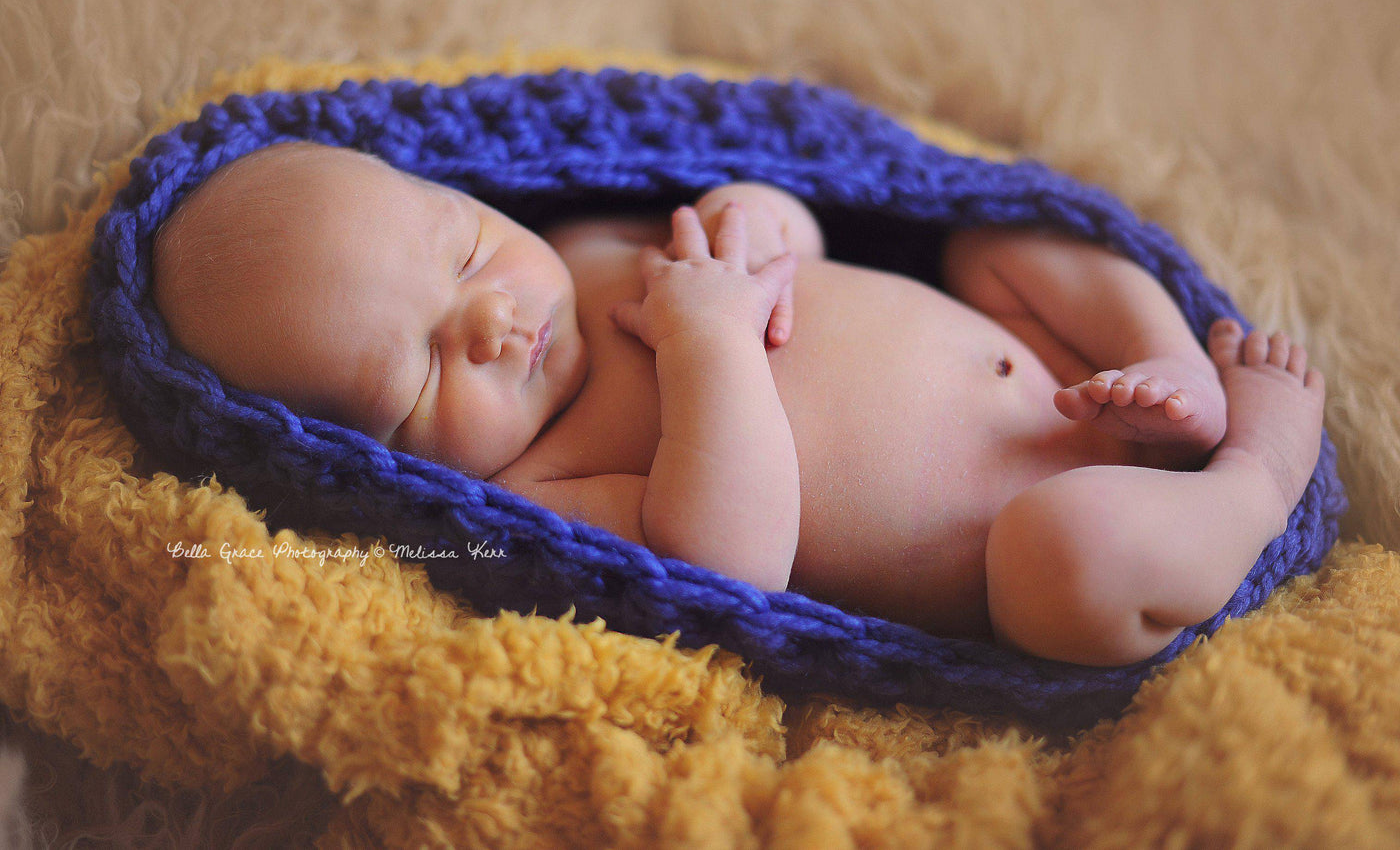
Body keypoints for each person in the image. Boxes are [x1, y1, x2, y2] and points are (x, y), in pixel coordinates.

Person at [152, 140, 1326, 666]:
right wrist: (710, 341)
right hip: (1053, 527)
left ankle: (1168, 362)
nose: (491, 320)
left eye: (464, 251)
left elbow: (799, 239)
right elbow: (728, 555)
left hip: (1060, 376)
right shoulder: (526, 492)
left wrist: (759, 220)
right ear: (362, 459)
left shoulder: (585, 242)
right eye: (414, 370)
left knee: (990, 241)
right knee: (1062, 558)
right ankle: (1251, 478)